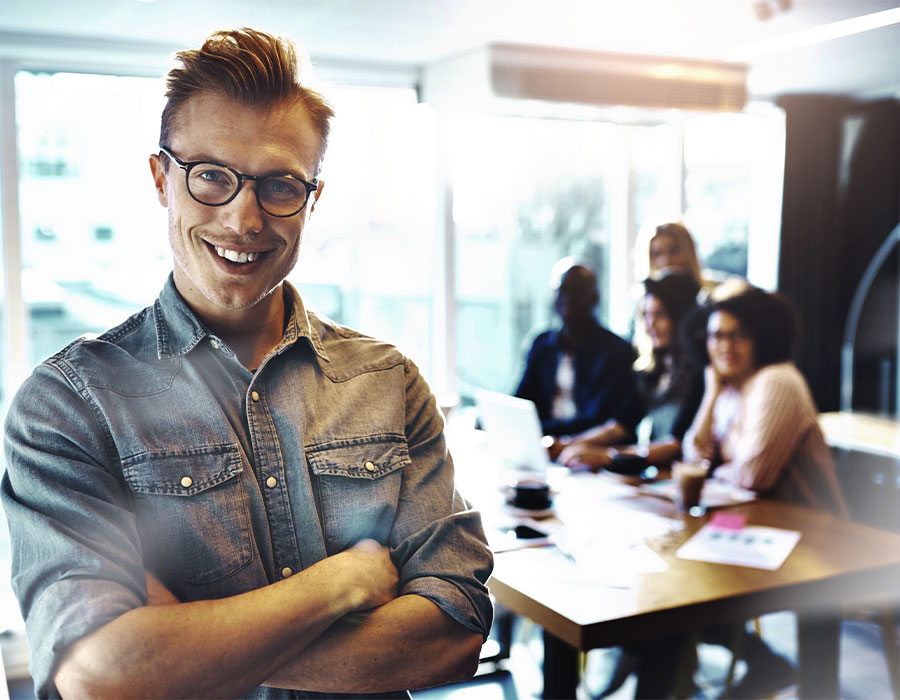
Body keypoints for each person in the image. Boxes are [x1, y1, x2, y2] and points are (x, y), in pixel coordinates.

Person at [1, 28, 493, 699]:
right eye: (210, 176)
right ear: (160, 179)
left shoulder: (388, 381)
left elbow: (456, 633)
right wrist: (339, 583)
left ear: (312, 198)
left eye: (281, 185)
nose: (244, 218)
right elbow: (102, 675)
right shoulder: (68, 405)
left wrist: (176, 645)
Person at [683, 286, 847, 516]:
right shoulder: (730, 388)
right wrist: (711, 395)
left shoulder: (776, 380)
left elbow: (752, 477)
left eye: (738, 335)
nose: (726, 346)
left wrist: (714, 471)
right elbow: (692, 461)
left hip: (813, 531)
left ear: (759, 338)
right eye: (717, 336)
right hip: (756, 521)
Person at [557, 271, 704, 471]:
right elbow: (619, 425)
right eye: (646, 315)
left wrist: (608, 456)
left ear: (680, 316)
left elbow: (675, 444)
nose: (650, 324)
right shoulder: (654, 369)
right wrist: (568, 444)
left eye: (659, 314)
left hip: (678, 475)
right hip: (655, 475)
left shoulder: (698, 373)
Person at [514, 258, 643, 457]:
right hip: (544, 450)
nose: (568, 297)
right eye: (561, 290)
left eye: (577, 290)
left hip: (591, 453)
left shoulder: (616, 350)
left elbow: (597, 419)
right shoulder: (542, 344)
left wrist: (540, 431)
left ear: (594, 297)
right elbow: (521, 403)